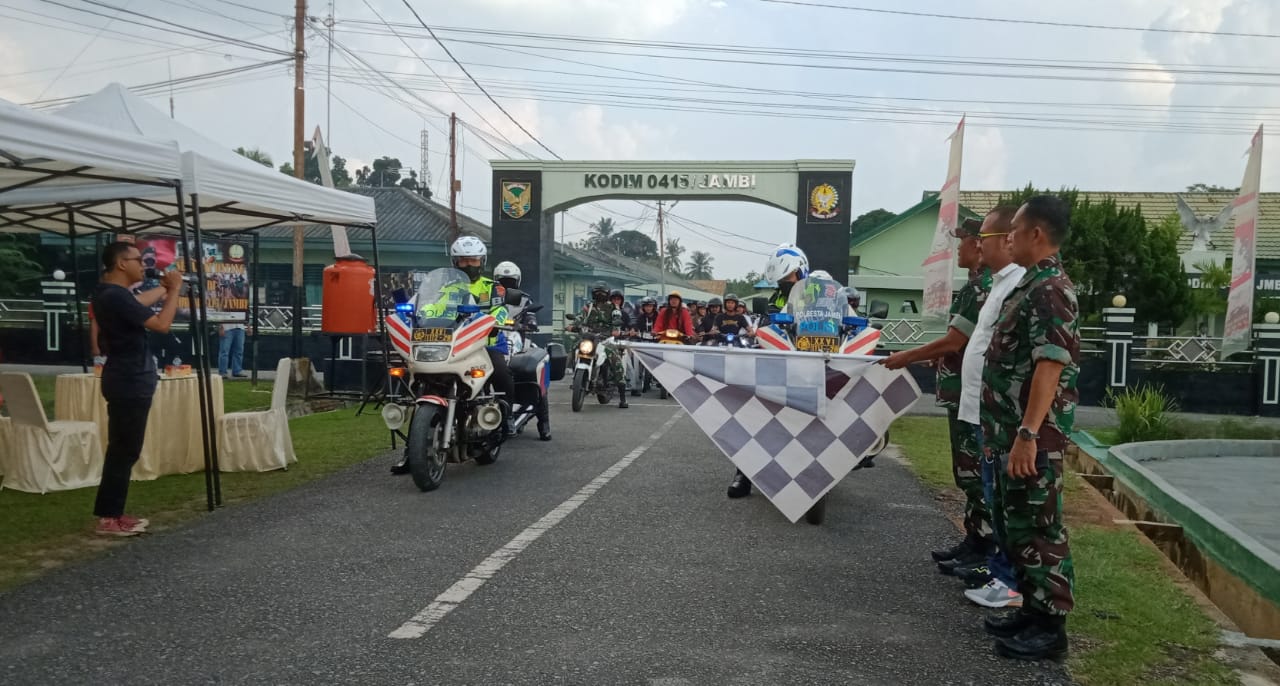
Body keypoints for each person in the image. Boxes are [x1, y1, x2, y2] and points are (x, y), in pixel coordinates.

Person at [981, 195, 1079, 661]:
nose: (1009, 238)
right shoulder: (1029, 286)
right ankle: (1031, 612)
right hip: (1008, 434)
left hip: (1032, 440)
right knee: (1015, 526)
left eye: (1015, 230)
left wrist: (1028, 435)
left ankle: (1050, 628)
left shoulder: (1050, 290)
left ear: (1036, 234)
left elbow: (1049, 368)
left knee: (1040, 529)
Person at [880, 217, 992, 573]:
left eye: (963, 241)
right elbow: (963, 345)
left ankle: (984, 547)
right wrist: (941, 358)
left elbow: (956, 340)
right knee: (967, 473)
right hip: (962, 391)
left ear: (979, 245)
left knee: (974, 473)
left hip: (971, 396)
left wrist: (908, 357)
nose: (958, 248)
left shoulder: (982, 288)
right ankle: (974, 540)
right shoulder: (976, 286)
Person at [956, 208, 1027, 608]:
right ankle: (999, 571)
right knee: (992, 495)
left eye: (985, 235)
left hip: (1002, 414)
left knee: (1005, 500)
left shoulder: (1020, 285)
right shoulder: (1001, 284)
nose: (979, 243)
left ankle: (1008, 579)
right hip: (982, 408)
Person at [91, 242, 182, 536]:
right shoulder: (114, 296)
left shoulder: (112, 294)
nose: (143, 266)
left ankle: (112, 512)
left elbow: (138, 304)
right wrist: (175, 292)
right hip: (129, 380)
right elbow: (162, 324)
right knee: (124, 450)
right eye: (137, 260)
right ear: (121, 264)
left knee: (123, 449)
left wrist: (164, 289)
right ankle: (109, 517)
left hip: (127, 377)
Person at [726, 243, 810, 499]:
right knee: (753, 412)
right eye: (781, 279)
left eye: (788, 277)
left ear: (802, 272)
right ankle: (744, 474)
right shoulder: (777, 299)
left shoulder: (818, 293)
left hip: (813, 362)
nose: (785, 282)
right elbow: (766, 324)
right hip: (778, 362)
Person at [494, 260, 551, 441]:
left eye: (510, 281)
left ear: (517, 281)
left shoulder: (525, 298)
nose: (506, 285)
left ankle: (544, 422)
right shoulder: (488, 295)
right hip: (493, 336)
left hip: (517, 337)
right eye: (503, 281)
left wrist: (529, 323)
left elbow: (531, 315)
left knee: (537, 371)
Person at [573, 281, 629, 409]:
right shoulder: (589, 306)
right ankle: (575, 374)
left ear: (607, 294)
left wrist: (616, 328)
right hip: (590, 336)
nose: (599, 295)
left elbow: (616, 320)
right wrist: (573, 325)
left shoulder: (613, 308)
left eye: (602, 293)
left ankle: (622, 397)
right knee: (575, 347)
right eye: (597, 293)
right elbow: (580, 317)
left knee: (616, 361)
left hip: (606, 338)